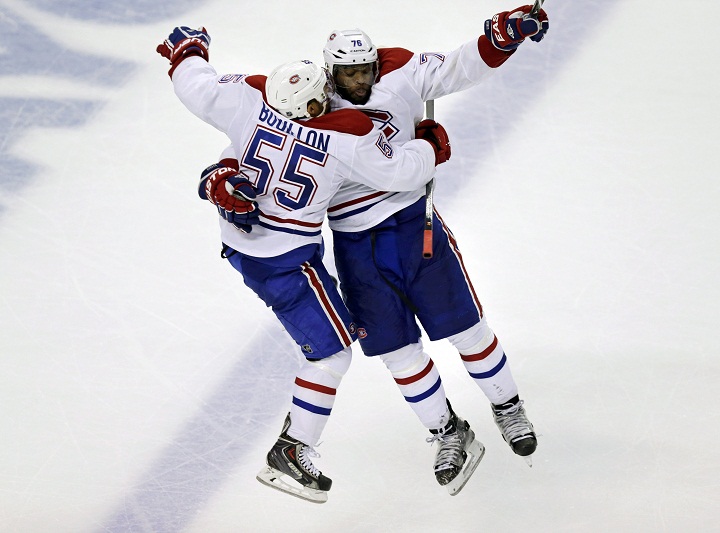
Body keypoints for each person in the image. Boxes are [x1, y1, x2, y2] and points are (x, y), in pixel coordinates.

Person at [156, 26, 452, 503]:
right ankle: (293, 450)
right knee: (333, 353)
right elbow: (399, 171)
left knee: (335, 345)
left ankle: (302, 443)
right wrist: (428, 147)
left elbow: (196, 87)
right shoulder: (343, 140)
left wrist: (189, 53)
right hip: (289, 263)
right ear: (314, 105)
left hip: (242, 249)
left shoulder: (248, 102)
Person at [319, 4, 549, 489]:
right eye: (349, 73)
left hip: (410, 225)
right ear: (330, 71)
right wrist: (223, 172)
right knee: (397, 351)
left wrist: (502, 37)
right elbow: (260, 128)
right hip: (354, 247)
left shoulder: (399, 70)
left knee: (466, 329)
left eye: (365, 70)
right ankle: (448, 432)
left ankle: (508, 407)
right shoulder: (310, 98)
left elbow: (459, 66)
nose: (359, 81)